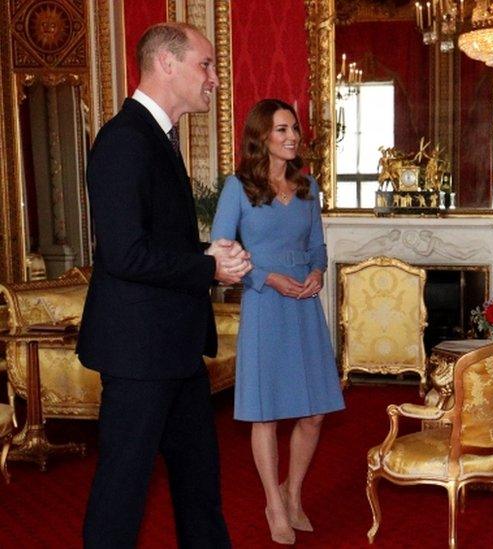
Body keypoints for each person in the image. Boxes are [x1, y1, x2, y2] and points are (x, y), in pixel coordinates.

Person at [78, 22, 249, 548]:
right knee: (122, 495)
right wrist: (208, 268)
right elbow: (125, 253)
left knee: (200, 489)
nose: (215, 78)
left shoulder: (159, 137)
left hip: (175, 350)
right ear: (166, 65)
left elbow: (155, 241)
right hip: (137, 355)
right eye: (207, 64)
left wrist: (206, 254)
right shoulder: (124, 140)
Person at [211, 99, 345, 545]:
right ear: (262, 136)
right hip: (265, 303)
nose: (292, 137)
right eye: (281, 130)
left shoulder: (308, 186)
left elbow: (318, 247)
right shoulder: (238, 187)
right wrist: (267, 278)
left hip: (304, 305)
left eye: (294, 129)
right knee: (265, 414)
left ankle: (293, 491)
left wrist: (316, 273)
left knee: (314, 412)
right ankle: (273, 501)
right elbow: (221, 251)